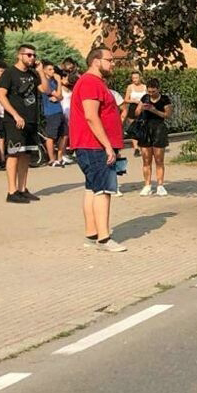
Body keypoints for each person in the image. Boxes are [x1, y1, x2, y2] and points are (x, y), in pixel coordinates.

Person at [69, 46, 126, 251]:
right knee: (103, 189)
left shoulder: (94, 83)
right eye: (109, 60)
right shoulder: (91, 82)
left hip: (91, 145)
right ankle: (104, 238)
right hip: (94, 146)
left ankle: (92, 233)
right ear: (96, 61)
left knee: (91, 189)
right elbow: (91, 116)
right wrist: (108, 146)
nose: (113, 63)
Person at [0, 44, 51, 203]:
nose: (32, 58)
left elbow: (45, 90)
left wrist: (41, 70)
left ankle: (22, 188)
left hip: (31, 119)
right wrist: (15, 115)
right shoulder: (9, 73)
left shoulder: (33, 73)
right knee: (14, 154)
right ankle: (11, 191)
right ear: (19, 55)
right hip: (15, 120)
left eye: (34, 55)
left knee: (26, 155)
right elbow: (1, 96)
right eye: (28, 55)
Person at [136, 77, 173, 196]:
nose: (151, 93)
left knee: (159, 159)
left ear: (158, 89)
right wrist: (141, 108)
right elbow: (136, 113)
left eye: (153, 91)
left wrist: (154, 110)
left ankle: (160, 185)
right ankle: (147, 185)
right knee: (146, 159)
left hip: (158, 128)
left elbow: (167, 115)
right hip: (145, 129)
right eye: (149, 91)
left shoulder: (165, 99)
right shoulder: (145, 98)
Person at [40, 61, 70, 167]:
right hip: (51, 112)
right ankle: (51, 159)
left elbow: (60, 97)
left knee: (65, 134)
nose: (53, 71)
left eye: (53, 69)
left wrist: (57, 93)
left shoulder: (53, 81)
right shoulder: (44, 83)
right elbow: (57, 94)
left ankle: (60, 157)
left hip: (59, 110)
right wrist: (59, 83)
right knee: (51, 136)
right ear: (43, 70)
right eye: (50, 69)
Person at [123, 71, 147, 157]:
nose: (135, 80)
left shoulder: (145, 87)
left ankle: (144, 146)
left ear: (140, 78)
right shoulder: (130, 87)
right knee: (134, 128)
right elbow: (126, 99)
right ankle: (136, 148)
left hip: (143, 109)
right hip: (133, 108)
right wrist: (134, 101)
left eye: (136, 78)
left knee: (143, 128)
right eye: (133, 78)